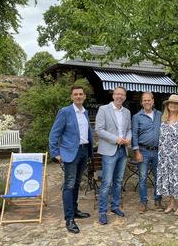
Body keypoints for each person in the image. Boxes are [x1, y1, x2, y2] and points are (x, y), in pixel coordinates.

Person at [49, 85, 93, 234]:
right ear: (71, 97)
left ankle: (74, 211)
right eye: (76, 94)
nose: (79, 96)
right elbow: (54, 134)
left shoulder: (85, 112)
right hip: (69, 153)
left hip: (83, 151)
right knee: (69, 184)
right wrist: (55, 153)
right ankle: (69, 219)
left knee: (76, 183)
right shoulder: (65, 112)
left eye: (81, 94)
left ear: (84, 96)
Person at [95, 86, 131, 225]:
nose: (119, 96)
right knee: (106, 182)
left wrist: (128, 138)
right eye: (117, 94)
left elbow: (129, 129)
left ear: (125, 97)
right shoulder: (103, 109)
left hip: (123, 150)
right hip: (110, 150)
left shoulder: (127, 112)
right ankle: (102, 212)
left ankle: (115, 207)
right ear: (113, 95)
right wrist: (115, 139)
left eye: (122, 94)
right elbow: (99, 129)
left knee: (118, 181)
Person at [156, 94, 178, 216]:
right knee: (169, 179)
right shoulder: (164, 119)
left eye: (175, 104)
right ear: (167, 105)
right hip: (165, 155)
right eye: (171, 103)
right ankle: (171, 204)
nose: (173, 105)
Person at [132, 92, 163, 213]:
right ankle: (143, 202)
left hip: (157, 151)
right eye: (144, 100)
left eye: (149, 100)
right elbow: (134, 134)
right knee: (143, 178)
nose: (147, 102)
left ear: (153, 101)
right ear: (141, 102)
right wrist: (136, 152)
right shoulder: (137, 117)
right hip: (143, 151)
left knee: (158, 177)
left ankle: (158, 200)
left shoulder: (159, 115)